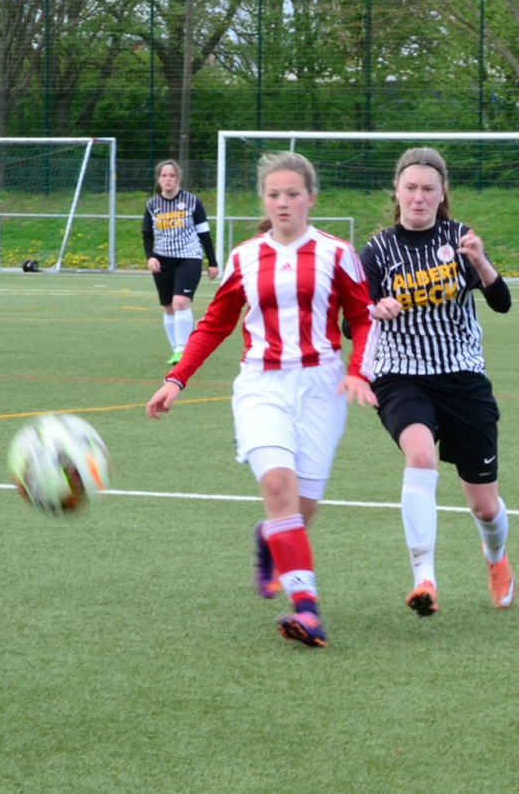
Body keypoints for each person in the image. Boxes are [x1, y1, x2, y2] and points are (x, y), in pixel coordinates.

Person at [146, 152, 377, 648]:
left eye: (292, 194)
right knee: (277, 488)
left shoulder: (337, 253)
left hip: (321, 387)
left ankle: (269, 536)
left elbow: (363, 318)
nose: (283, 202)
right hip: (261, 386)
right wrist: (176, 379)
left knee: (300, 511)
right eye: (274, 194)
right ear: (263, 201)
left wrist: (359, 371)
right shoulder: (244, 257)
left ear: (311, 198)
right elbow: (215, 323)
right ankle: (307, 610)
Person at [358, 146, 515, 617]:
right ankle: (423, 579)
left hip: (463, 378)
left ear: (442, 192)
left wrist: (481, 262)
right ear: (397, 191)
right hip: (401, 377)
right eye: (410, 188)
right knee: (421, 455)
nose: (419, 197)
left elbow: (502, 302)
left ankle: (495, 556)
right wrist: (374, 308)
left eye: (428, 189)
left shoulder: (459, 239)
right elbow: (352, 321)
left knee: (485, 507)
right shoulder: (377, 250)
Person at [142, 159, 220, 365]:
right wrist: (150, 257)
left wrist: (212, 262)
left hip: (188, 257)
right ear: (159, 179)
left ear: (178, 178)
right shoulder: (152, 205)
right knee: (169, 307)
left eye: (172, 175)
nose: (168, 179)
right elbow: (147, 235)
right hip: (162, 260)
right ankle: (176, 350)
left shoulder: (192, 201)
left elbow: (204, 233)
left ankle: (182, 350)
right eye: (164, 175)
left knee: (181, 303)